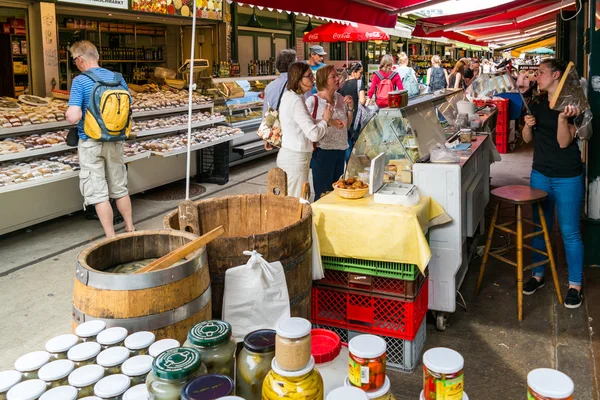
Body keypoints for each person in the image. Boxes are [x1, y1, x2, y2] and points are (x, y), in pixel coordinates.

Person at [521, 59, 584, 309]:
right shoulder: (536, 102)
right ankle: (538, 275)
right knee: (540, 226)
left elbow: (563, 143)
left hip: (567, 175)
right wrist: (527, 126)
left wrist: (561, 120)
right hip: (540, 173)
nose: (537, 76)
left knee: (569, 231)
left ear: (556, 75)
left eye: (541, 72)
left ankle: (575, 285)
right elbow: (527, 140)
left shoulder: (570, 104)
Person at [65, 41, 134, 238]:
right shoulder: (117, 78)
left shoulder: (80, 81)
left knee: (99, 193)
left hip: (91, 142)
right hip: (115, 140)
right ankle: (130, 228)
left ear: (79, 60)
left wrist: (68, 113)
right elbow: (129, 104)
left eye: (74, 60)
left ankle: (111, 236)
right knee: (120, 188)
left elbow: (74, 116)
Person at [277, 62, 334, 197]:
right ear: (298, 79)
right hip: (295, 158)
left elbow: (303, 124)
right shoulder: (296, 100)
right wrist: (325, 120)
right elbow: (313, 134)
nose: (313, 79)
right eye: (309, 76)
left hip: (292, 155)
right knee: (297, 202)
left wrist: (325, 122)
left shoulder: (291, 96)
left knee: (294, 199)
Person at [306, 65, 353, 200]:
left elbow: (347, 126)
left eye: (337, 76)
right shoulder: (313, 101)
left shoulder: (340, 98)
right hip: (322, 153)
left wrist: (350, 109)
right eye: (333, 76)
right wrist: (328, 121)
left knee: (336, 194)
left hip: (340, 151)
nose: (337, 79)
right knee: (322, 194)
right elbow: (307, 126)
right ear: (323, 80)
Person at [262, 49, 297, 150]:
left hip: (277, 131)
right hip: (296, 132)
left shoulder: (269, 87)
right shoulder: (299, 85)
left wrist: (266, 137)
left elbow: (266, 113)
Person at [338, 62, 367, 159]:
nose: (361, 75)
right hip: (356, 119)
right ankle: (355, 166)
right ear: (354, 72)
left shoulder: (341, 84)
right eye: (360, 72)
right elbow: (362, 101)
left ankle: (348, 167)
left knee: (347, 145)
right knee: (357, 146)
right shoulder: (359, 83)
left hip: (344, 118)